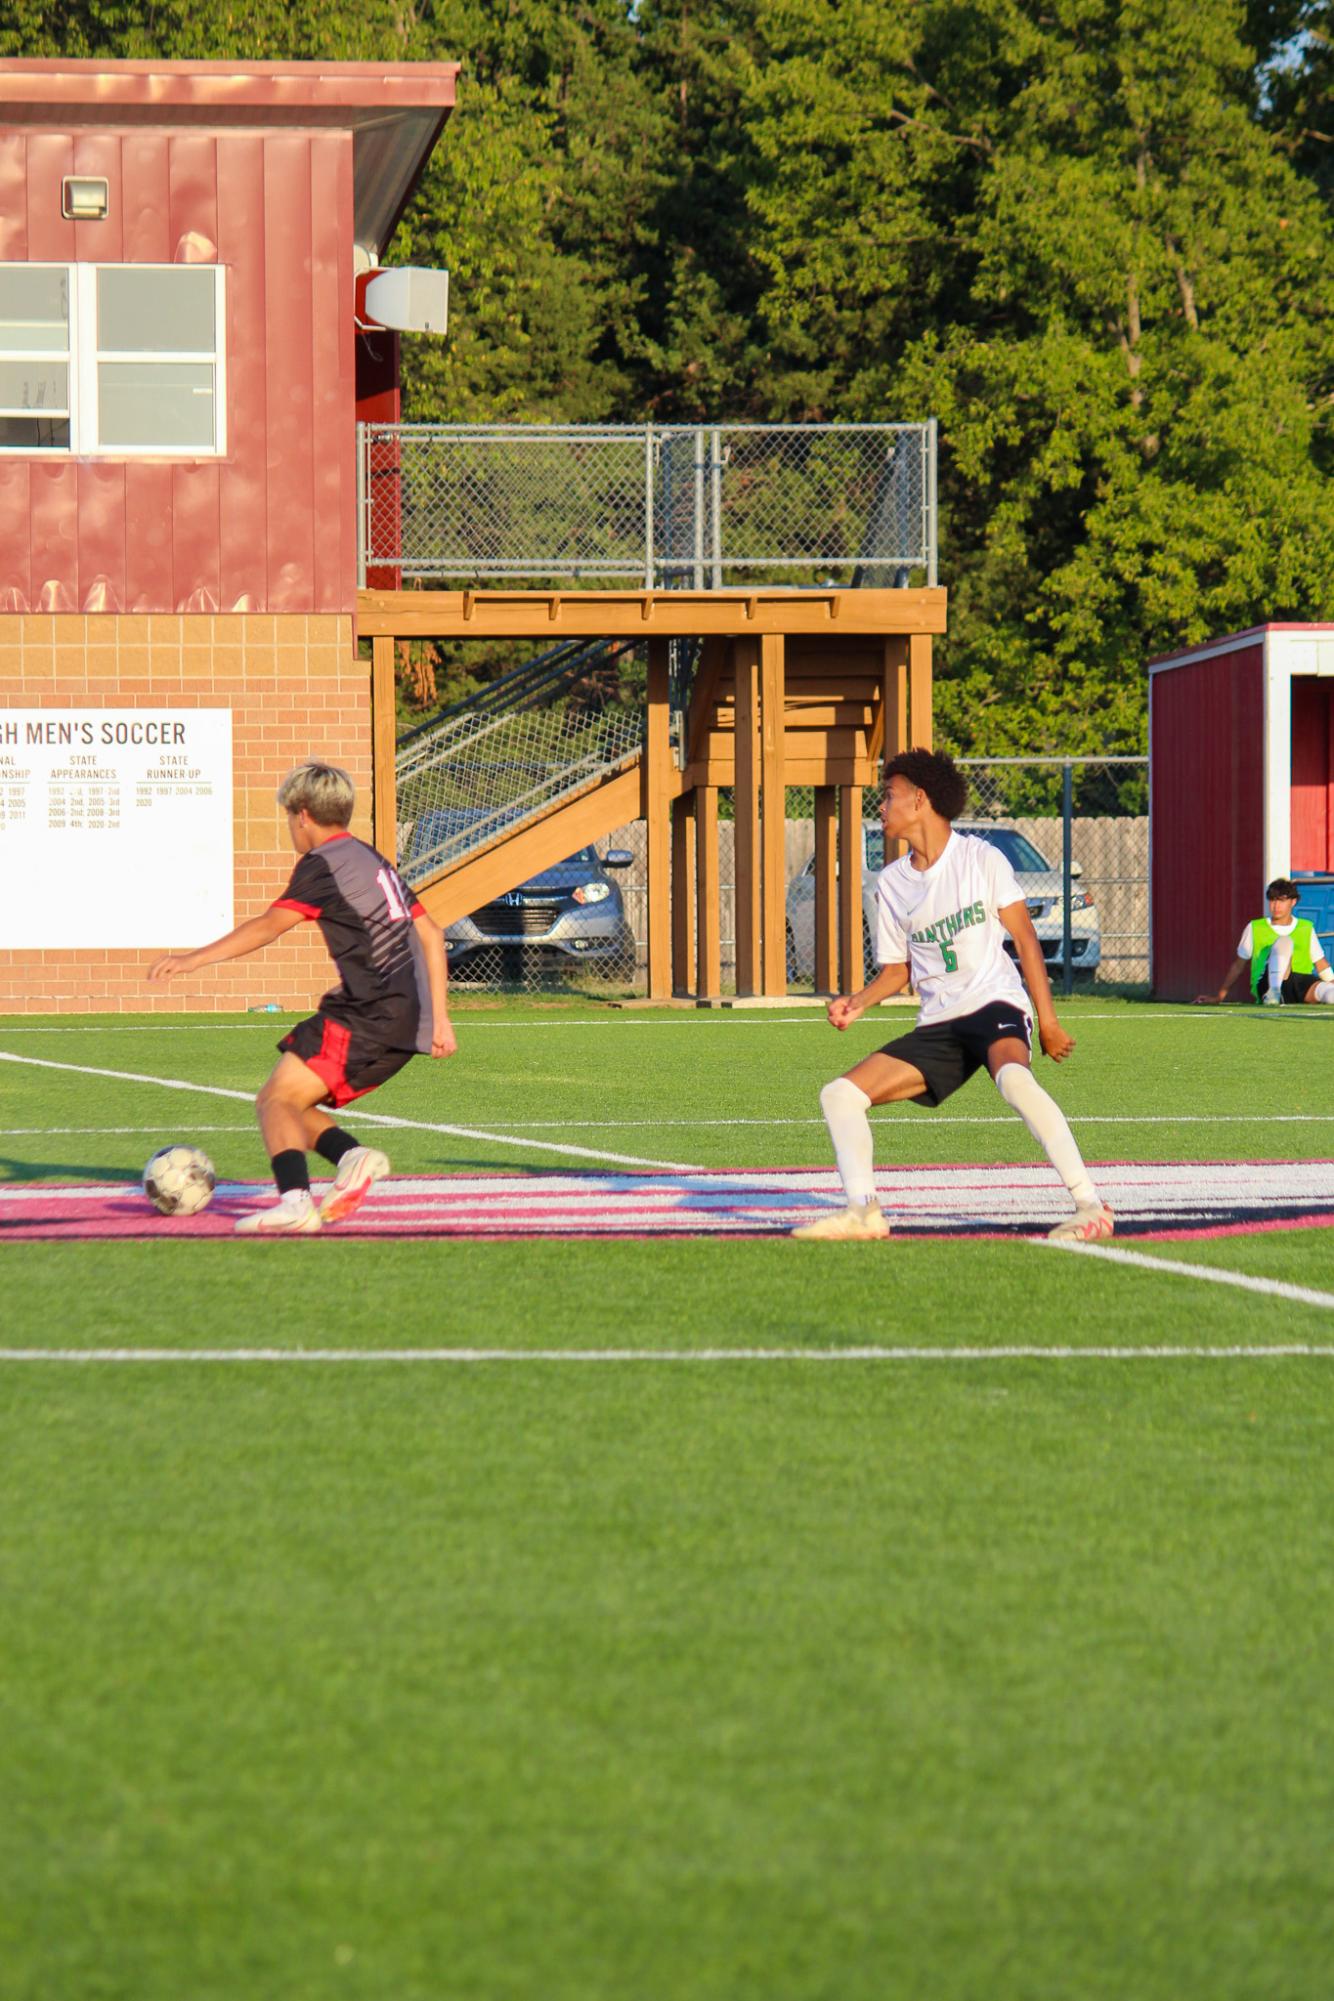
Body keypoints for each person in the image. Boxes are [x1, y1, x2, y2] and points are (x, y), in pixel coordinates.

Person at [792, 747, 1113, 1244]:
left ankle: (1091, 1206)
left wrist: (1047, 1022)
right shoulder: (892, 884)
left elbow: (1026, 940)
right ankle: (863, 1212)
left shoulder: (981, 859)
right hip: (940, 1023)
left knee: (1014, 1083)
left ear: (919, 800)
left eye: (889, 796)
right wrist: (858, 1001)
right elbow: (898, 971)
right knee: (840, 1096)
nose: (882, 806)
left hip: (994, 1005)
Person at [150, 761, 455, 1234]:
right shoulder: (371, 860)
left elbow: (271, 925)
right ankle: (352, 1156)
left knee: (274, 1099)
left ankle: (295, 1204)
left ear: (303, 815)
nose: (290, 827)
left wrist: (194, 959)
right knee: (291, 1104)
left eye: (288, 817)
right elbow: (433, 935)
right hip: (400, 1016)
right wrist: (439, 1020)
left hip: (368, 1012)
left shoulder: (323, 863)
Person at [1195, 879, 1334, 1008]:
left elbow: (1321, 964)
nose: (1276, 905)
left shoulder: (1306, 928)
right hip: (1266, 983)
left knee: (1329, 993)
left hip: (1300, 983)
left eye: (1282, 900)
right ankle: (1274, 992)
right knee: (1284, 941)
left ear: (1293, 902)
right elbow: (1238, 966)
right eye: (1272, 900)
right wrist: (1219, 996)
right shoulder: (1255, 927)